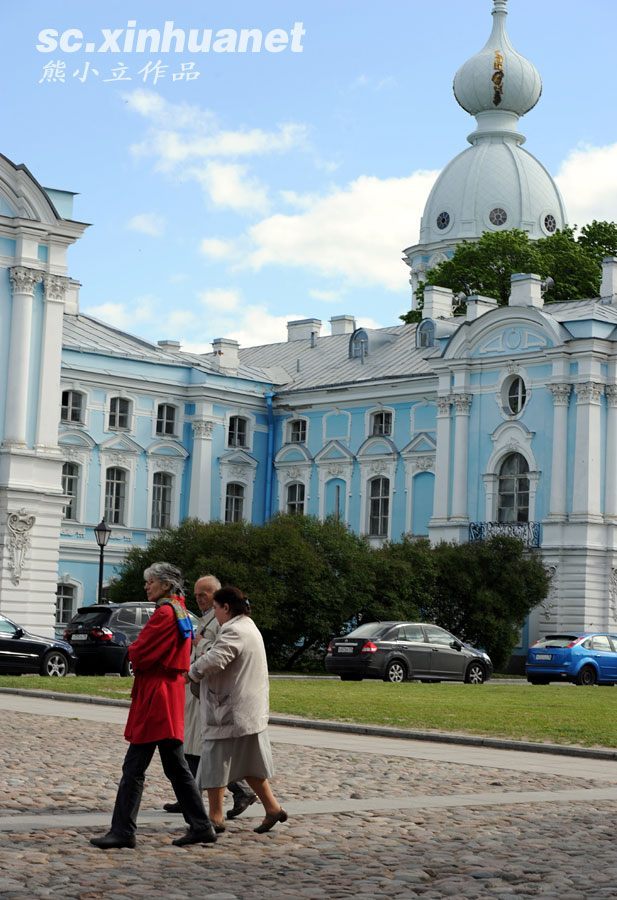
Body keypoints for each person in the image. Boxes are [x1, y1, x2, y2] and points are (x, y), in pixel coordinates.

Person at [90, 562, 217, 849]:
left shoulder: (164, 613)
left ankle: (123, 831)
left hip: (156, 695)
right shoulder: (180, 610)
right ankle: (201, 825)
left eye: (151, 582)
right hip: (167, 694)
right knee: (176, 768)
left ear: (165, 584)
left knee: (134, 768)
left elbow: (141, 649)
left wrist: (132, 650)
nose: (146, 586)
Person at [187, 586, 287, 834]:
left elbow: (218, 658)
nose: (215, 613)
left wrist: (192, 671)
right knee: (249, 764)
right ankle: (272, 808)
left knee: (213, 764)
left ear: (226, 608)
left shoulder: (233, 629)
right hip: (246, 710)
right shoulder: (248, 626)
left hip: (228, 711)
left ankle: (215, 816)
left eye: (216, 608)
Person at [163, 575, 257, 819]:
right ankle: (189, 796)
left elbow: (218, 654)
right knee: (194, 747)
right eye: (196, 595)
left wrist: (201, 646)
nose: (199, 599)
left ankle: (236, 792)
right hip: (198, 688)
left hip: (207, 690)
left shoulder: (222, 623)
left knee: (206, 750)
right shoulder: (208, 618)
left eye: (204, 594)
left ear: (216, 595)